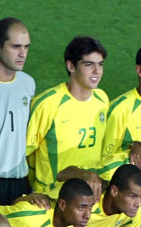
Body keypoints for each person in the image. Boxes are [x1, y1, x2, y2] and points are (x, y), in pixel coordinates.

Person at [27, 36, 108, 193]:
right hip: (52, 197)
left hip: (89, 195)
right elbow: (25, 153)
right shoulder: (47, 104)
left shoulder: (102, 99)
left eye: (100, 64)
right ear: (71, 66)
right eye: (89, 64)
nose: (97, 71)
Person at [0, 18, 36, 206]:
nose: (22, 54)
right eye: (16, 47)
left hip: (19, 180)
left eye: (26, 47)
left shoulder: (28, 83)